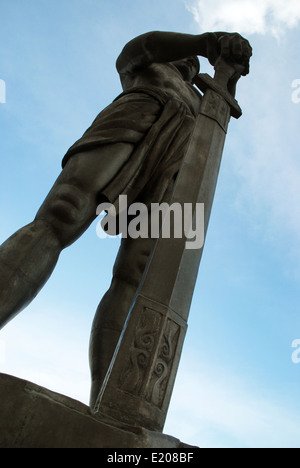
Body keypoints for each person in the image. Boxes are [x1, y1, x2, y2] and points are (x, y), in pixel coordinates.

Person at [0, 31, 252, 407]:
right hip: (139, 114)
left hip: (177, 159)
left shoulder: (202, 103)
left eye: (194, 64)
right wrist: (205, 42)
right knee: (63, 213)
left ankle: (106, 404)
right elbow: (144, 46)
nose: (189, 65)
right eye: (184, 59)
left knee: (137, 272)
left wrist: (228, 74)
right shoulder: (147, 66)